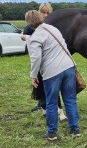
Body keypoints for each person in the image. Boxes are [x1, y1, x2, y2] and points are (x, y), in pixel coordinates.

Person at [25, 10, 80, 140]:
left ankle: (52, 133)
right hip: (68, 67)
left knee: (51, 103)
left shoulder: (35, 37)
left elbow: (36, 59)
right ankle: (75, 129)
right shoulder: (53, 29)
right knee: (70, 100)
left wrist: (33, 76)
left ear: (28, 23)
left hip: (52, 72)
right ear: (40, 17)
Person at [21, 3, 67, 122]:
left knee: (51, 87)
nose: (46, 15)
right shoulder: (31, 27)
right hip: (39, 63)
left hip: (50, 63)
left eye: (48, 13)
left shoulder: (51, 26)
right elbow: (24, 36)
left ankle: (58, 110)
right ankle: (44, 106)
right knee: (41, 86)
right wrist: (24, 37)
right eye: (43, 12)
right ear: (39, 13)